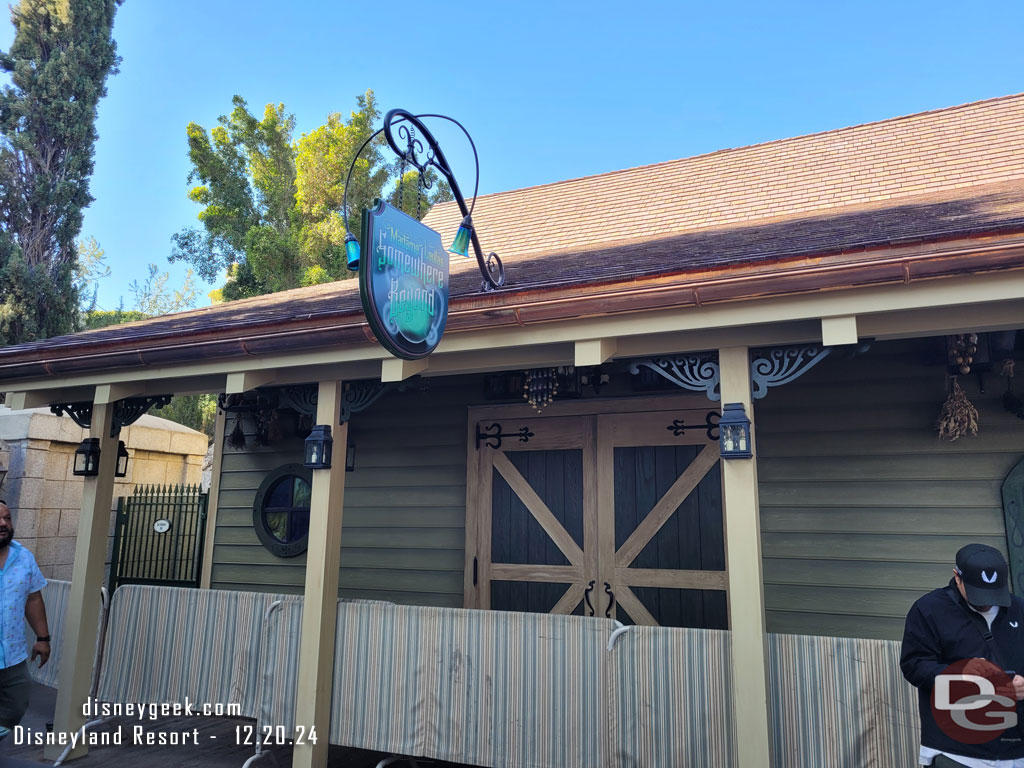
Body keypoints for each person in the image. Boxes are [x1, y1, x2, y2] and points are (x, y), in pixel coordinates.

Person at [901, 543, 1024, 767]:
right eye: (978, 593)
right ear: (956, 577)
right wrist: (961, 676)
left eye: (993, 593)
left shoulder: (1019, 609)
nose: (986, 602)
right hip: (955, 750)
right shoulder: (929, 609)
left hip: (1015, 749)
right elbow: (914, 665)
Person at [0, 501, 49, 742]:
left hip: (13, 657)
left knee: (15, 707)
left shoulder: (23, 557)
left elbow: (33, 597)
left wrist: (42, 638)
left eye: (7, 518)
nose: (3, 524)